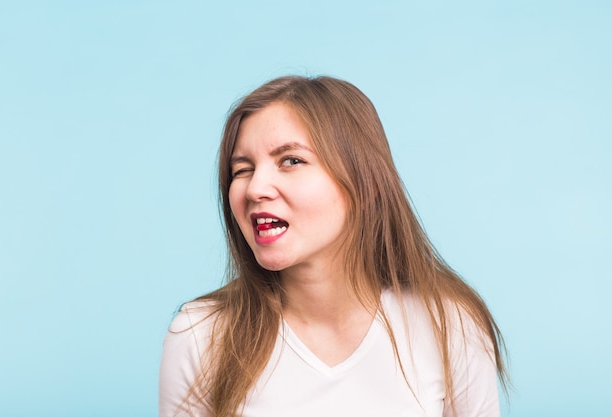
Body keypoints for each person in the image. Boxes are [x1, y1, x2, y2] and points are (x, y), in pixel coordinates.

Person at [159, 76, 508, 417]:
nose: (255, 189)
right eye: (242, 169)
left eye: (291, 160)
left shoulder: (451, 324)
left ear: (366, 183)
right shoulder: (199, 334)